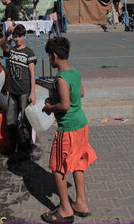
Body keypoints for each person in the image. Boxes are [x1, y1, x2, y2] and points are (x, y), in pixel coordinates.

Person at [41, 37, 97, 224]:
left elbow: (64, 106)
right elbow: (80, 93)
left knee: (58, 167)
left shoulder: (60, 78)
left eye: (50, 56)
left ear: (55, 56)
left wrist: (50, 108)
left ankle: (65, 210)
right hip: (81, 124)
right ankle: (81, 203)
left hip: (68, 129)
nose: (49, 60)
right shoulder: (74, 72)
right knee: (78, 163)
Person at [0, 23, 36, 162]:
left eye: (19, 36)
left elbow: (32, 73)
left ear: (24, 37)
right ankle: (13, 146)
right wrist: (7, 33)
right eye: (15, 37)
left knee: (26, 121)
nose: (17, 39)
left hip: (25, 92)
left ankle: (26, 149)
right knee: (10, 120)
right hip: (12, 92)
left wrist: (33, 92)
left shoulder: (29, 52)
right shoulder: (11, 50)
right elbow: (2, 44)